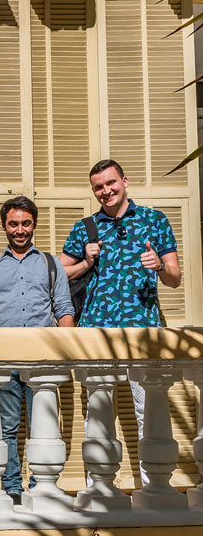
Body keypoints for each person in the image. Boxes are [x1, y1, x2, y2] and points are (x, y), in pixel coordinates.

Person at [59, 159, 181, 486]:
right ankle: (98, 489)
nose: (106, 191)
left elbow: (175, 278)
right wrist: (86, 261)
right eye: (98, 187)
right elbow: (58, 275)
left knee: (149, 411)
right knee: (98, 412)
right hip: (96, 330)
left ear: (125, 181)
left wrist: (159, 266)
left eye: (111, 183)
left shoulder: (154, 220)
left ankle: (154, 487)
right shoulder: (85, 228)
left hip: (144, 331)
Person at [0, 196, 74, 505]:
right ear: (4, 226)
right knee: (8, 426)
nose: (20, 230)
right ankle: (13, 488)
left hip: (42, 357)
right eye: (13, 223)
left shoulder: (51, 264)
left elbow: (64, 309)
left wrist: (64, 349)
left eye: (25, 223)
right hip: (5, 357)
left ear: (34, 225)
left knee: (44, 425)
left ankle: (41, 484)